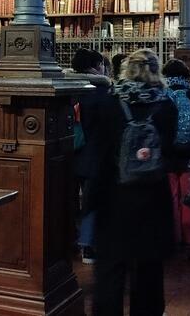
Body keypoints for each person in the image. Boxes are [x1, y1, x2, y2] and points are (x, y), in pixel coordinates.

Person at [85, 49, 177, 316]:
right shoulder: (166, 105)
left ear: (126, 70)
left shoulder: (109, 103)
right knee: (148, 269)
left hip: (114, 195)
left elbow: (99, 152)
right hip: (152, 196)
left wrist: (92, 198)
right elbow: (169, 150)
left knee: (111, 269)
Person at [71, 48, 111, 264]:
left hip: (66, 153)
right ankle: (89, 247)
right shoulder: (102, 92)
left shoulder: (66, 90)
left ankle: (68, 240)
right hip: (94, 154)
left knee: (67, 200)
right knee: (91, 200)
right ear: (97, 66)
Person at [162, 58, 190, 248]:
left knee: (171, 197)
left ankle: (173, 237)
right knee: (189, 197)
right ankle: (189, 239)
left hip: (168, 154)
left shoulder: (163, 95)